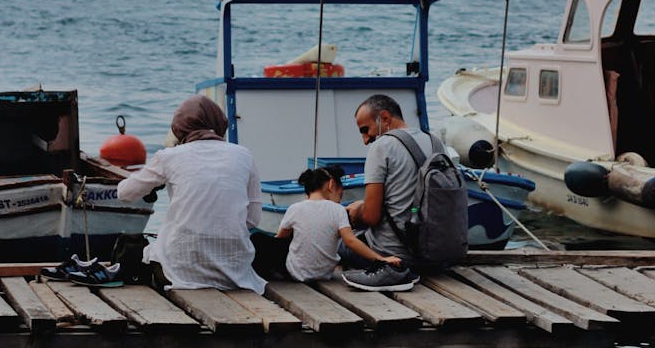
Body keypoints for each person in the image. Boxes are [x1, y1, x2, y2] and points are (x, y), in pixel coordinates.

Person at [116, 95, 265, 293]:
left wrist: (165, 160)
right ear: (219, 124)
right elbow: (253, 220)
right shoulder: (244, 155)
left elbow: (124, 193)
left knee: (131, 250)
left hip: (179, 270)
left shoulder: (169, 156)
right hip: (234, 272)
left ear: (179, 127)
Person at [346, 93, 434, 269]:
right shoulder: (435, 143)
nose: (365, 140)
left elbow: (371, 217)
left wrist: (357, 211)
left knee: (342, 243)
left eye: (365, 129)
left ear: (384, 118)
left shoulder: (382, 146)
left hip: (393, 255)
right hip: (435, 255)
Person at [274, 165, 403, 282]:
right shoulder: (338, 210)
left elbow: (280, 239)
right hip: (323, 275)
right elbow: (350, 241)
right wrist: (381, 259)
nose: (340, 198)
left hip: (294, 273)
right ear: (331, 185)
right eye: (340, 193)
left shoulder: (294, 208)